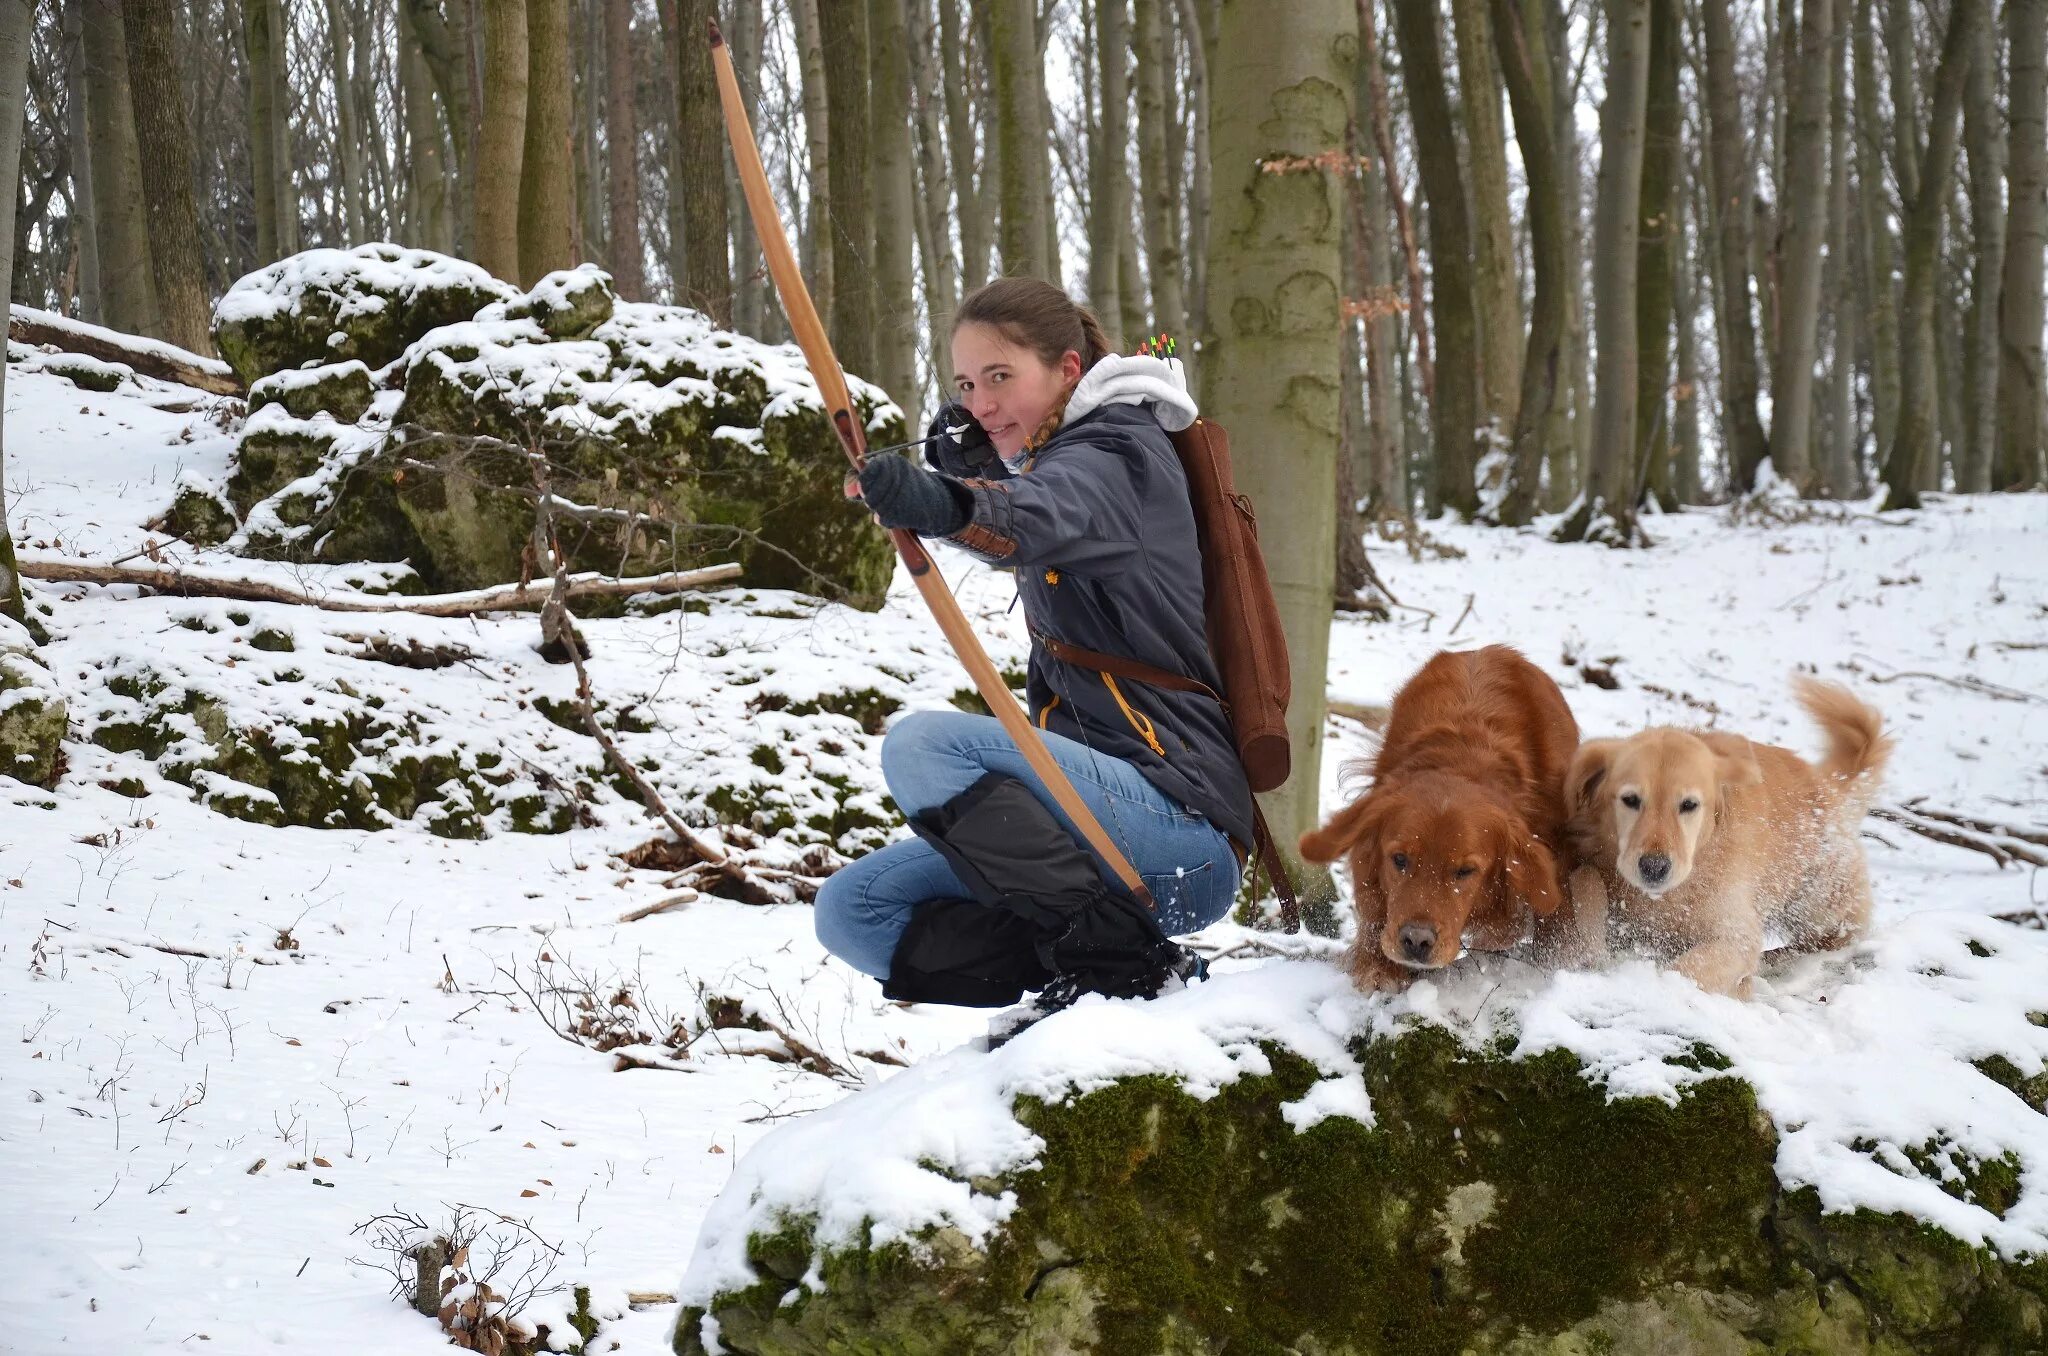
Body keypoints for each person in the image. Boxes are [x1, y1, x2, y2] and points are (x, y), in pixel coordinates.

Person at [811, 277, 1253, 1022]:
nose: (980, 403)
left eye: (1001, 377)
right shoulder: (1066, 459)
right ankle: (1094, 962)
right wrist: (974, 474)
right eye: (965, 384)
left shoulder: (1120, 448)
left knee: (924, 749)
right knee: (856, 911)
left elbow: (1048, 511)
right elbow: (1039, 503)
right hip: (1098, 832)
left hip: (1180, 834)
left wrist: (944, 501)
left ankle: (1121, 960)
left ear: (1069, 371)